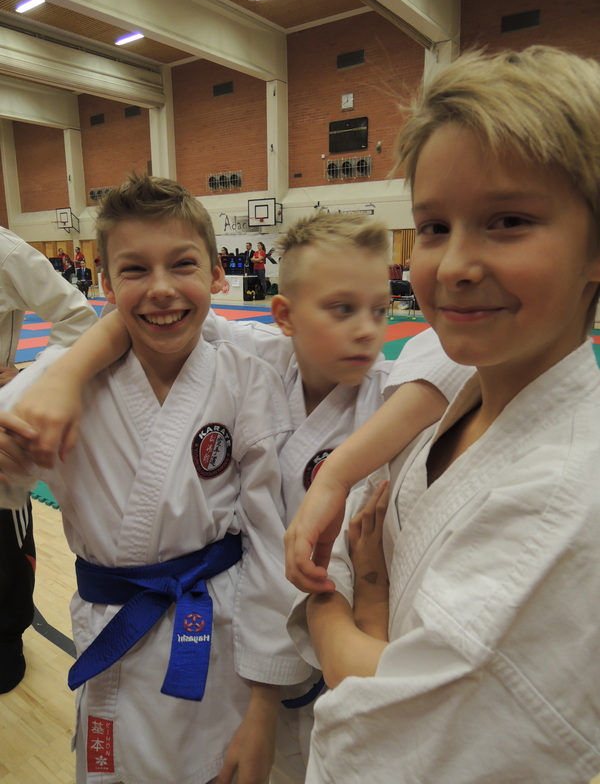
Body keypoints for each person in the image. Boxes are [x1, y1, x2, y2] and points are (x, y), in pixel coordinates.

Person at [8, 210, 469, 783]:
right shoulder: (263, 356)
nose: (365, 331)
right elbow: (154, 316)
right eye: (340, 308)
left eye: (380, 310)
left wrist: (339, 473)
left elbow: (455, 357)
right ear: (286, 316)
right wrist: (67, 371)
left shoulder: (388, 391)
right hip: (247, 634)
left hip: (344, 627)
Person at [286, 45, 600, 783]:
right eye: (432, 227)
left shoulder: (564, 501)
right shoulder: (464, 389)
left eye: (508, 221)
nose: (454, 265)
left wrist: (328, 605)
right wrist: (362, 577)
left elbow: (389, 712)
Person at [0, 173, 309, 784]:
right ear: (105, 282)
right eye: (135, 270)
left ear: (216, 274)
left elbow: (272, 544)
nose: (161, 288)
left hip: (224, 641)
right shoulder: (60, 381)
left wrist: (264, 705)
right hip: (117, 641)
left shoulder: (247, 371)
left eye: (182, 264)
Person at [0, 226, 96, 694]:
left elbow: (80, 321)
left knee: (4, 549)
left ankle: (5, 642)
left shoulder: (5, 252)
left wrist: (25, 381)